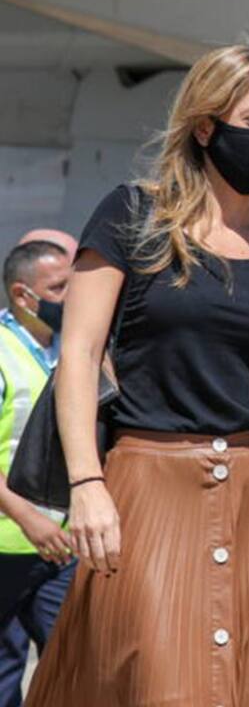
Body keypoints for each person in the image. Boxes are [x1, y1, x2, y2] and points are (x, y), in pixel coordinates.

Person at [25, 43, 249, 706]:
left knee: (245, 690)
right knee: (159, 684)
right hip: (148, 488)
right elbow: (78, 353)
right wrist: (86, 483)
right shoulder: (135, 216)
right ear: (206, 125)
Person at [0, 240, 74, 707]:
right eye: (60, 287)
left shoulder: (72, 352)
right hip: (8, 543)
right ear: (23, 295)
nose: (72, 296)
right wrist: (27, 517)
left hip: (60, 546)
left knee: (71, 666)